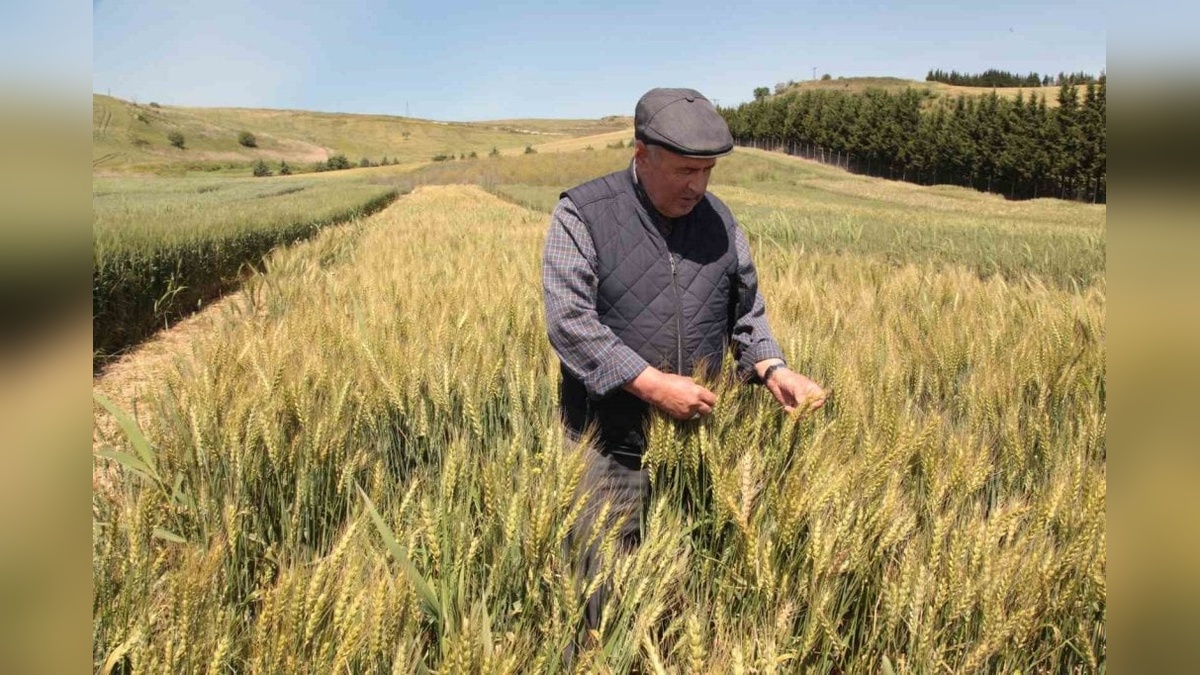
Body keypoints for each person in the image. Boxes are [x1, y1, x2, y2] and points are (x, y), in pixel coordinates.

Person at [541, 87, 826, 637]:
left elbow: (747, 315)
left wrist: (773, 370)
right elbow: (569, 323)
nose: (697, 186)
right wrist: (649, 385)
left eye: (707, 171)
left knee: (683, 596)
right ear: (641, 154)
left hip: (699, 448)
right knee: (602, 600)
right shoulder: (583, 214)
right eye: (683, 171)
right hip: (609, 448)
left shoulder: (720, 222)